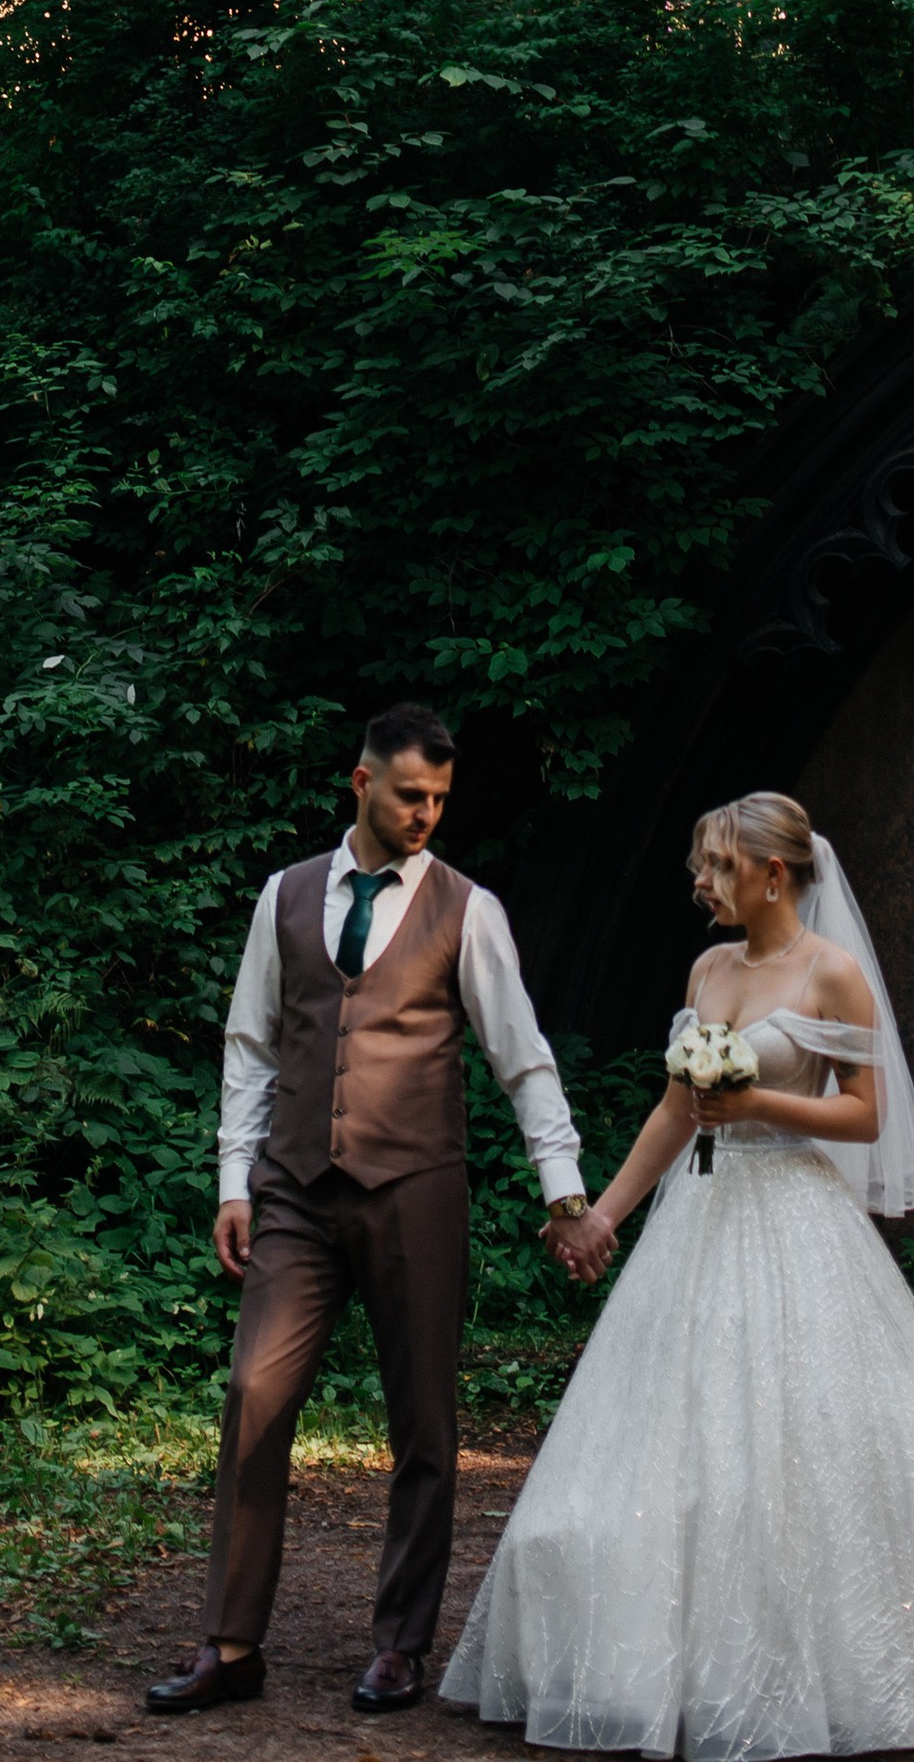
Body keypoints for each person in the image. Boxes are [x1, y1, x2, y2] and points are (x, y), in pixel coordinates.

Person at [443, 793, 914, 1760]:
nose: (699, 885)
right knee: (670, 1437)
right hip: (701, 1221)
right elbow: (676, 1110)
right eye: (698, 869)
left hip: (797, 1218)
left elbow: (867, 1115)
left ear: (772, 875)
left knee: (814, 1446)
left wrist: (758, 1103)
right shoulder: (710, 968)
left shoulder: (834, 976)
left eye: (713, 868)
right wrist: (605, 1217)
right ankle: (652, 1665)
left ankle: (826, 1666)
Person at [146, 704, 592, 1723]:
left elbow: (520, 1057)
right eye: (408, 796)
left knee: (423, 1426)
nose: (425, 814)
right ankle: (229, 1641)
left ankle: (398, 1646)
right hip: (294, 1193)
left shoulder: (467, 909)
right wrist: (233, 1182)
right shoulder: (285, 896)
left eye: (438, 797)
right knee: (254, 1397)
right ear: (360, 785)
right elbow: (250, 1046)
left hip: (413, 1190)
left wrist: (560, 1188)